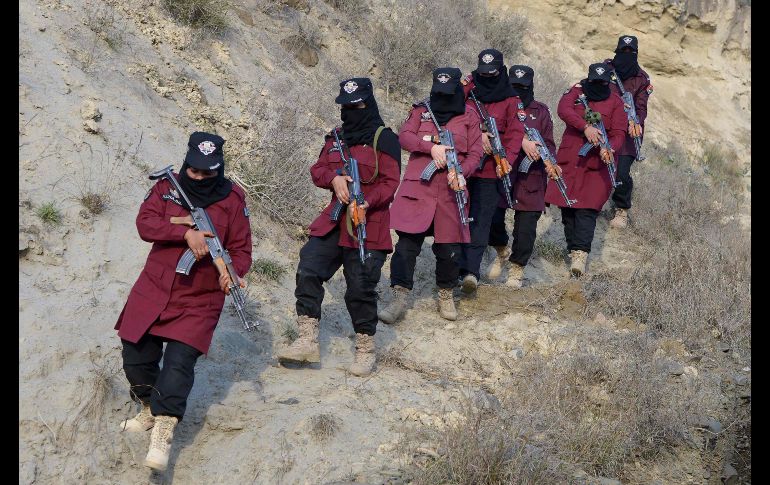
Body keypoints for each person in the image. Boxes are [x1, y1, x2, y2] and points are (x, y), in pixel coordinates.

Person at [115, 132, 253, 471]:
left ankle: (164, 428)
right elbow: (145, 223)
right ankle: (149, 407)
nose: (202, 178)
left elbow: (241, 250)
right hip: (154, 288)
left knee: (178, 367)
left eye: (210, 172)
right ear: (187, 164)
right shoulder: (167, 187)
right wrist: (184, 231)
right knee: (135, 357)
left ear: (220, 169)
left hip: (200, 298)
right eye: (196, 171)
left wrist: (232, 273)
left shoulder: (234, 199)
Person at [277, 78, 401, 377]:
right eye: (346, 106)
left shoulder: (384, 139)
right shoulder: (336, 137)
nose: (351, 111)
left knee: (359, 288)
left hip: (368, 226)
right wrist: (333, 178)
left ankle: (365, 349)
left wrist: (366, 201)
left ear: (368, 103)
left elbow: (390, 183)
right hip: (333, 221)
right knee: (309, 268)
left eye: (357, 105)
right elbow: (317, 169)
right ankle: (307, 339)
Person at [377, 67, 483, 324]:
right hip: (418, 190)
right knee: (405, 248)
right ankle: (399, 298)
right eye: (439, 92)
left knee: (449, 250)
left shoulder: (469, 116)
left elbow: (476, 155)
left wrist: (462, 174)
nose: (443, 98)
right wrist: (430, 147)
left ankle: (446, 295)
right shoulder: (420, 110)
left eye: (448, 93)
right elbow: (404, 137)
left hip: (450, 192)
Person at [544, 63, 626, 276]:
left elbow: (619, 132)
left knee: (587, 208)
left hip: (597, 165)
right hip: (571, 159)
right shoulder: (576, 92)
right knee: (567, 206)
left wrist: (610, 148)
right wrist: (585, 127)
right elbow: (563, 109)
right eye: (594, 81)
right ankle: (573, 247)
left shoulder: (616, 101)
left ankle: (581, 253)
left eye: (602, 82)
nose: (597, 85)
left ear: (609, 82)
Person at [457, 48, 527, 294]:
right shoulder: (470, 89)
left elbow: (517, 134)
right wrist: (478, 134)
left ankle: (470, 272)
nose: (486, 78)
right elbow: (450, 104)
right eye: (482, 73)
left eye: (492, 73)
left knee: (480, 221)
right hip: (463, 165)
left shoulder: (511, 99)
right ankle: (454, 268)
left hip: (489, 171)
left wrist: (505, 158)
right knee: (458, 217)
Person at [486, 65, 560, 287]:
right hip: (502, 173)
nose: (519, 92)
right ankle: (501, 250)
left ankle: (517, 269)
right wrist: (521, 143)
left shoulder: (541, 111)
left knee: (526, 229)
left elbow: (549, 143)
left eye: (523, 87)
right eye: (515, 87)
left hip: (532, 178)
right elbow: (492, 135)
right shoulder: (498, 106)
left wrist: (548, 160)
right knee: (491, 220)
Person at [604, 35, 653, 228]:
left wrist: (637, 122)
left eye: (630, 52)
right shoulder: (606, 70)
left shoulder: (642, 79)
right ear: (616, 51)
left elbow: (641, 107)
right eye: (622, 52)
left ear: (636, 53)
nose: (626, 56)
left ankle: (621, 209)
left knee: (621, 173)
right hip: (605, 126)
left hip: (628, 133)